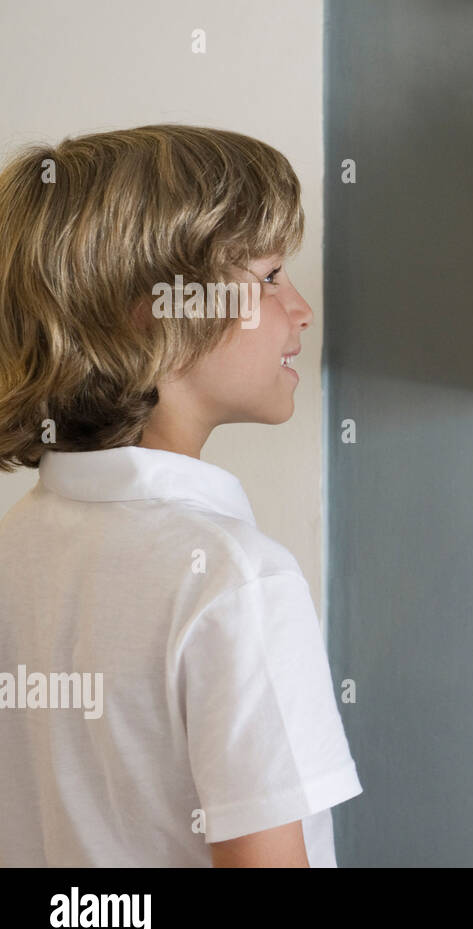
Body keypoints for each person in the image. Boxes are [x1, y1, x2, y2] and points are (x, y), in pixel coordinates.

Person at [0, 125, 361, 866]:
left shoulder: (19, 544)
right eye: (268, 276)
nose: (300, 309)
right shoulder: (237, 580)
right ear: (155, 310)